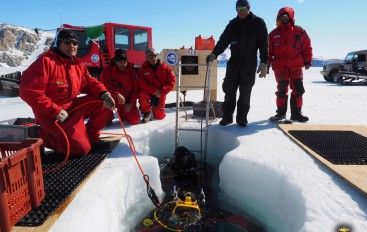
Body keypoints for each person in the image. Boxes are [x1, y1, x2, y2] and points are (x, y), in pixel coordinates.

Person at [19, 28, 115, 157]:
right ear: (59, 44)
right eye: (67, 42)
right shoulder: (45, 62)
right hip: (51, 115)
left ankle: (93, 138)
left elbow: (89, 82)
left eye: (75, 43)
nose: (72, 46)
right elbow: (28, 92)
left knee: (103, 103)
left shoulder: (77, 64)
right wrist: (55, 111)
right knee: (81, 149)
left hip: (72, 107)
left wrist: (104, 93)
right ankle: (40, 134)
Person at [206, 0, 268, 127]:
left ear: (248, 8)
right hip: (234, 62)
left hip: (249, 63)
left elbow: (263, 44)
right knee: (229, 91)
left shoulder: (258, 23)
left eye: (242, 9)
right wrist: (214, 53)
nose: (240, 12)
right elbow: (223, 40)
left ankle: (242, 119)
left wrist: (264, 62)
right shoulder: (233, 24)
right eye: (237, 9)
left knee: (245, 93)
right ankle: (227, 117)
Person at [268, 7, 313, 122]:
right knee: (282, 90)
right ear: (279, 18)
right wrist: (266, 64)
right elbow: (268, 51)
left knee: (298, 90)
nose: (284, 19)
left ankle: (296, 114)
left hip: (296, 67)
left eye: (286, 16)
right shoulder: (273, 34)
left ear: (291, 17)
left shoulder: (300, 31)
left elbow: (307, 47)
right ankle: (280, 114)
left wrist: (308, 61)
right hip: (280, 67)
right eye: (282, 17)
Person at [100, 49, 140, 125]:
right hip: (113, 99)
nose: (123, 64)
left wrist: (130, 104)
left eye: (124, 62)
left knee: (134, 120)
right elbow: (103, 85)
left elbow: (136, 89)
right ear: (115, 61)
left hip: (127, 101)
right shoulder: (107, 71)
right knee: (102, 97)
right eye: (120, 62)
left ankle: (122, 112)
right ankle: (107, 118)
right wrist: (116, 94)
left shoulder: (132, 71)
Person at [137, 48, 176, 123]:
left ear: (157, 56)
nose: (153, 58)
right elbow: (141, 83)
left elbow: (171, 82)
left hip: (160, 94)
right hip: (149, 92)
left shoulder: (166, 68)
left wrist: (161, 91)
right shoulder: (143, 69)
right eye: (150, 56)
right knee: (142, 94)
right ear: (146, 57)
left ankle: (155, 108)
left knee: (159, 117)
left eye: (154, 55)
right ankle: (147, 112)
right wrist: (154, 91)